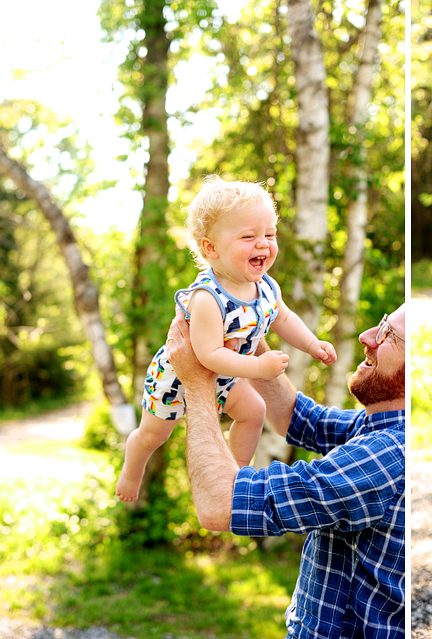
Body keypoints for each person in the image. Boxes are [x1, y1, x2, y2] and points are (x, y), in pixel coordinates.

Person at [166, 304, 406, 639]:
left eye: (390, 335)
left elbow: (220, 504)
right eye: (381, 323)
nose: (369, 337)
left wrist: (196, 382)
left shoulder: (388, 454)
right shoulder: (380, 427)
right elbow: (295, 417)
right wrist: (248, 329)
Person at [116, 176, 337, 502]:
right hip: (178, 377)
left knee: (254, 411)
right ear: (211, 248)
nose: (263, 244)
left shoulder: (265, 287)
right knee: (153, 435)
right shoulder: (208, 297)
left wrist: (312, 344)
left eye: (270, 234)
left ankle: (234, 477)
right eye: (249, 236)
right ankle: (131, 471)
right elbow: (207, 355)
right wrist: (259, 366)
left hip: (226, 377)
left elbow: (283, 318)